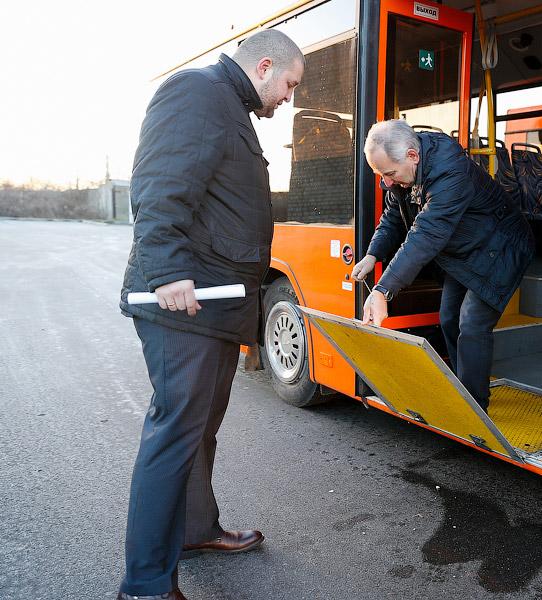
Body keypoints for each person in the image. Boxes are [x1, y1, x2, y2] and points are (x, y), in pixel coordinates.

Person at [117, 30, 304, 600]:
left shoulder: (230, 106)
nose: (289, 97)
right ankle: (146, 584)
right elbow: (159, 185)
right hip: (185, 303)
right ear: (264, 66)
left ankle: (195, 530)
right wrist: (168, 270)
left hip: (215, 306)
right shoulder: (196, 92)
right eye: (289, 84)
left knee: (200, 429)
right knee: (176, 432)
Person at [352, 119, 534, 412]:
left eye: (389, 174)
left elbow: (426, 234)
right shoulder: (404, 173)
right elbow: (393, 216)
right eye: (381, 175)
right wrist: (373, 254)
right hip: (465, 250)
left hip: (500, 248)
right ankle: (466, 388)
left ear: (413, 155)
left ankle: (473, 408)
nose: (387, 182)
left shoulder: (450, 171)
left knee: (471, 324)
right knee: (449, 317)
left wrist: (383, 290)